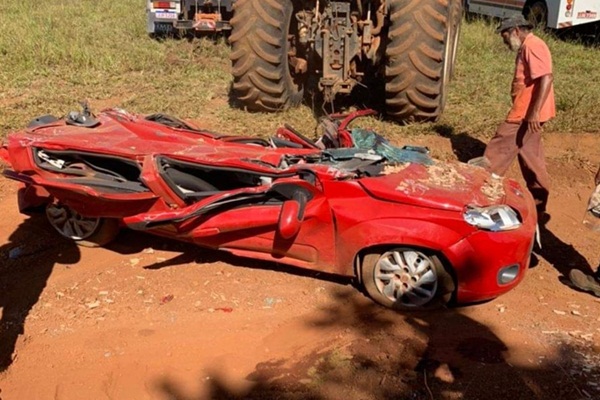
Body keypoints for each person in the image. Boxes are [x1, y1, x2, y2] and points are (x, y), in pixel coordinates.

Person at [479, 14, 555, 224]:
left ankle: (478, 197)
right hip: (527, 112)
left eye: (504, 35)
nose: (504, 40)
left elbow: (546, 77)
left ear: (515, 30)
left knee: (496, 152)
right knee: (532, 159)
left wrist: (534, 111)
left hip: (524, 114)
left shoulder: (533, 45)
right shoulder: (528, 45)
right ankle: (539, 206)